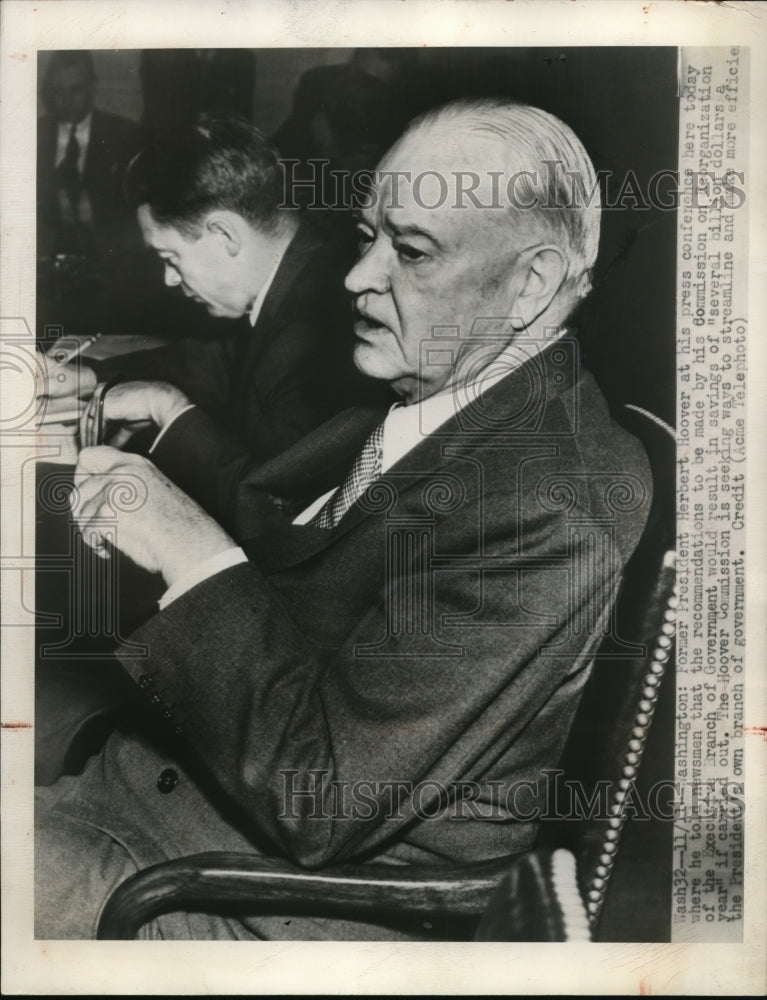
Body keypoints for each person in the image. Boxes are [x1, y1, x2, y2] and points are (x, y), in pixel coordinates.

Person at [35, 98, 653, 940]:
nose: (359, 275)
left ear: (530, 284)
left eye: (410, 249)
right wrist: (152, 467)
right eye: (368, 236)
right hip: (184, 794)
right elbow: (276, 513)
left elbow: (321, 800)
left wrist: (189, 551)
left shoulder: (551, 501)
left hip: (254, 895)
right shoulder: (443, 392)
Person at [39, 112, 387, 517]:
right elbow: (206, 363)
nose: (169, 279)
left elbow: (275, 511)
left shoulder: (327, 329)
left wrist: (166, 406)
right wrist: (84, 376)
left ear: (224, 235)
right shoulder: (298, 269)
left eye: (170, 257)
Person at [37, 50, 143, 259]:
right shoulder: (34, 134)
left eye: (76, 90)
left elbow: (136, 220)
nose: (66, 101)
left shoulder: (125, 135)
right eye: (58, 91)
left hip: (109, 262)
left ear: (92, 87)